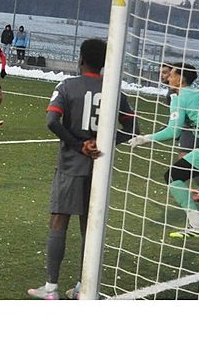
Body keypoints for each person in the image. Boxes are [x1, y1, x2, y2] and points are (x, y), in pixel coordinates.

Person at [27, 39, 137, 300]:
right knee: (90, 227)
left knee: (59, 221)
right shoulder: (115, 92)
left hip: (71, 165)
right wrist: (103, 142)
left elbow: (52, 121)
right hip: (99, 168)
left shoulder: (67, 86)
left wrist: (79, 145)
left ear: (80, 59)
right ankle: (82, 287)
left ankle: (51, 288)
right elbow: (133, 130)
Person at [129, 63, 199, 239]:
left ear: (181, 78)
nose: (168, 78)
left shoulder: (179, 97)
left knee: (173, 176)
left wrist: (145, 138)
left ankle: (197, 226)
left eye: (171, 75)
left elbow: (173, 131)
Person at [158, 63, 199, 201]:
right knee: (184, 155)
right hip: (187, 127)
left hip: (191, 128)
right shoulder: (173, 92)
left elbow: (182, 115)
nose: (164, 76)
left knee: (186, 156)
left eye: (166, 73)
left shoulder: (176, 94)